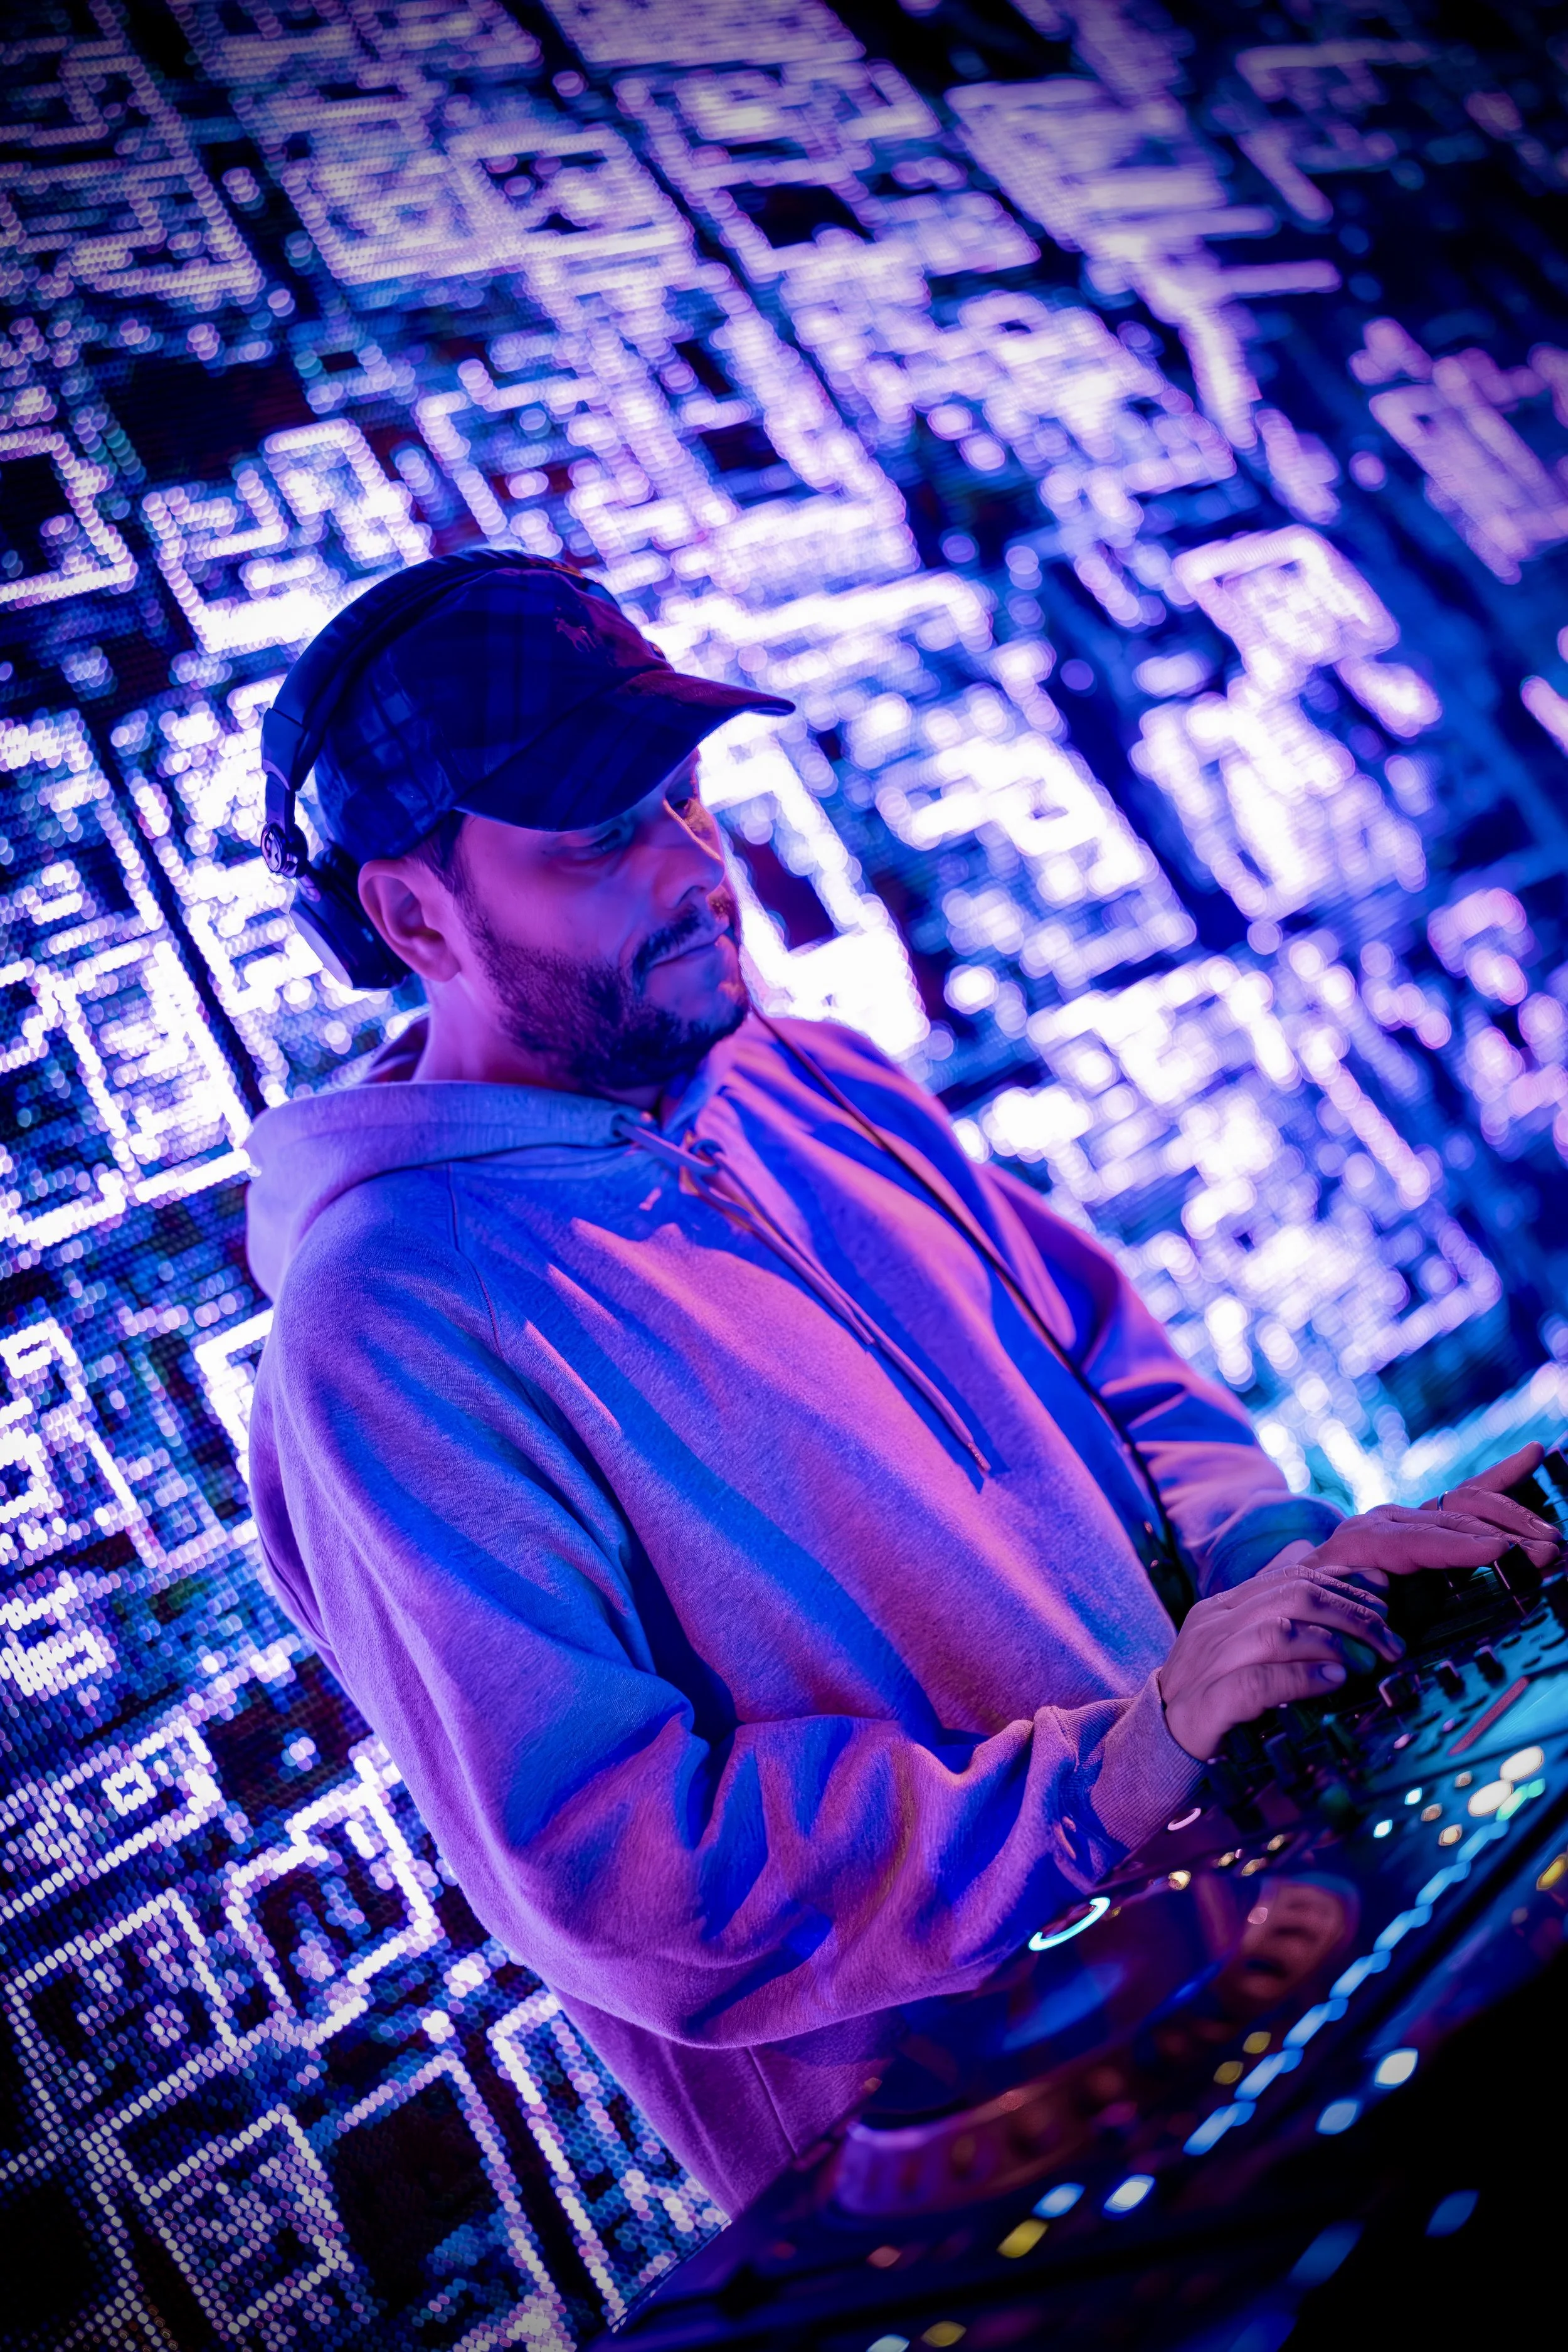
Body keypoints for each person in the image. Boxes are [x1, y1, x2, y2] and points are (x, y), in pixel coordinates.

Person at [244, 553, 1560, 2215]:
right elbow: (628, 1870)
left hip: (1282, 1963)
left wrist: (1299, 1593)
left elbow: (1126, 1388)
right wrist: (1116, 1769)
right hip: (1003, 2181)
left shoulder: (812, 1075)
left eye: (686, 797)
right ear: (412, 913)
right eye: (594, 836)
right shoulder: (384, 1335)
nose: (693, 869)